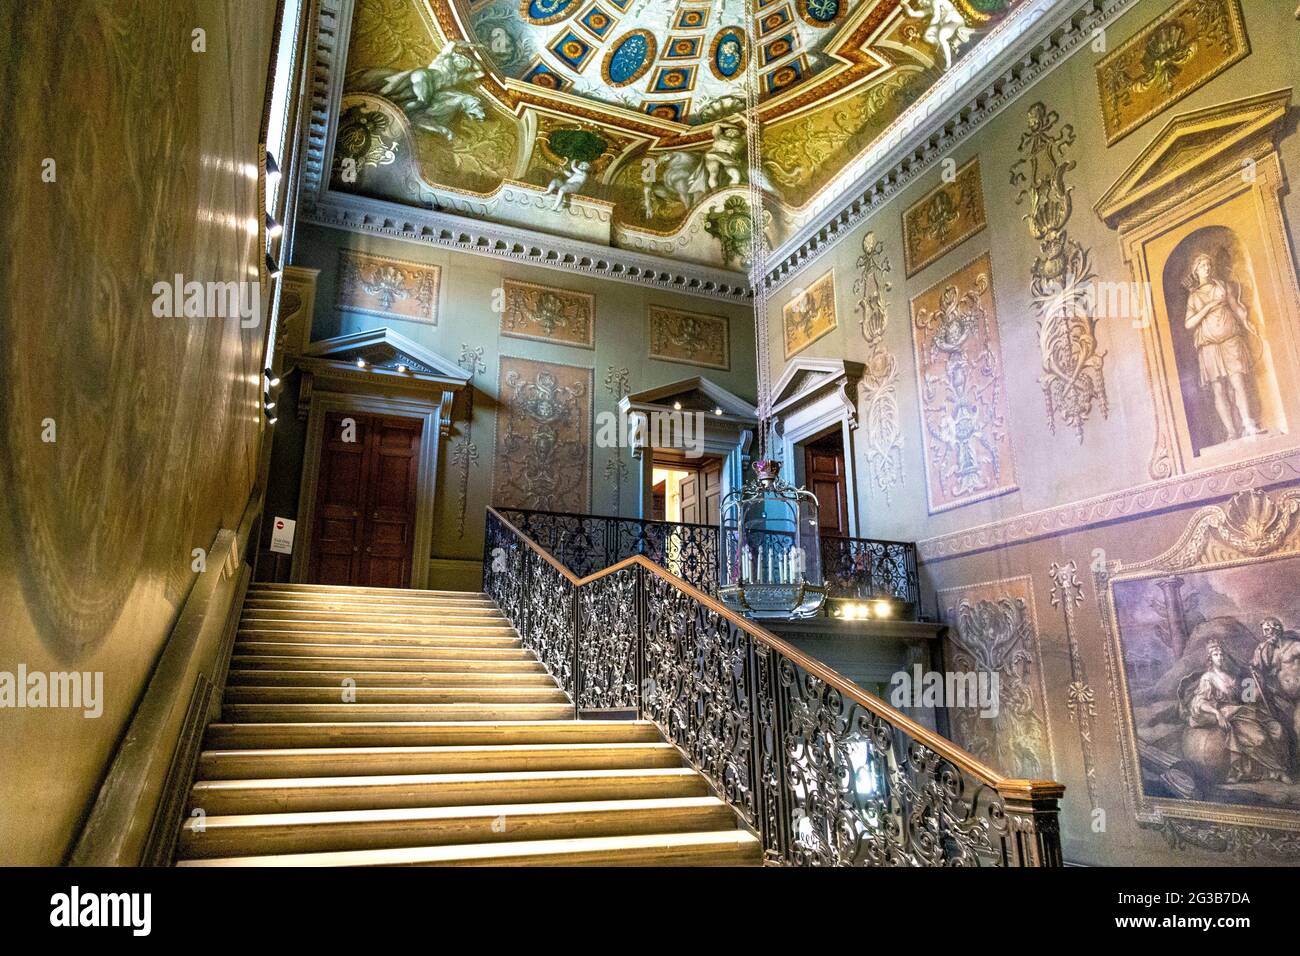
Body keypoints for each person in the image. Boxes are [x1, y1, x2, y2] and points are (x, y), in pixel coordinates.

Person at [1183, 641, 1292, 784]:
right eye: (1216, 655)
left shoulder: (1231, 676)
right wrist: (1217, 713)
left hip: (1243, 710)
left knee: (1277, 729)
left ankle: (1280, 768)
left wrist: (1257, 684)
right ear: (1210, 659)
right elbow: (1200, 701)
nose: (1220, 657)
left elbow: (1247, 699)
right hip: (1229, 714)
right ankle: (1276, 771)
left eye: (1221, 654)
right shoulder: (1208, 678)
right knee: (1259, 738)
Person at [1182, 251, 1262, 442]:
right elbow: (1189, 324)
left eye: (1208, 265)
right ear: (1196, 271)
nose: (1207, 268)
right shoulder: (1194, 297)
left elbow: (1236, 307)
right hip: (1209, 346)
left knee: (1238, 382)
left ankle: (1248, 424)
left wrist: (1247, 322)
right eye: (1202, 266)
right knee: (1219, 389)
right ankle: (1231, 432)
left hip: (1230, 340)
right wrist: (1209, 307)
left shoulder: (1223, 286)